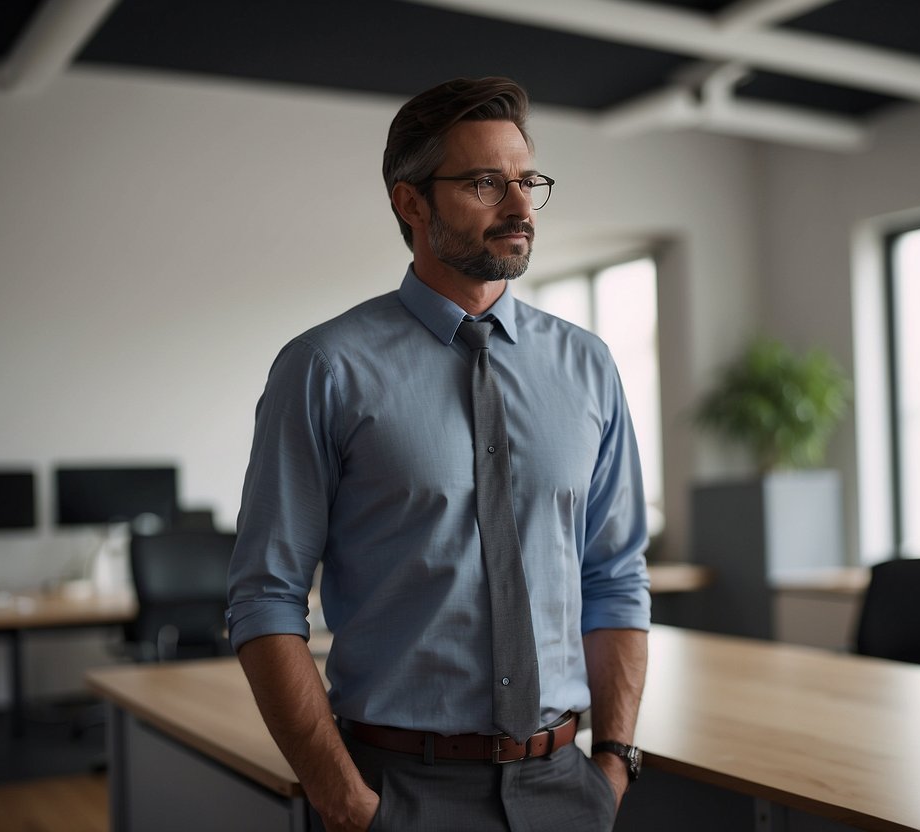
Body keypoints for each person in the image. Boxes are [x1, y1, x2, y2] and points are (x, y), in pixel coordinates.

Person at [226, 76, 650, 832]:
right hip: (399, 791)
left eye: (526, 182)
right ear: (410, 202)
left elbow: (614, 576)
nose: (519, 208)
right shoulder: (326, 369)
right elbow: (265, 597)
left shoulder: (588, 367)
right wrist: (345, 800)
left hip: (564, 788)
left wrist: (612, 761)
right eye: (485, 183)